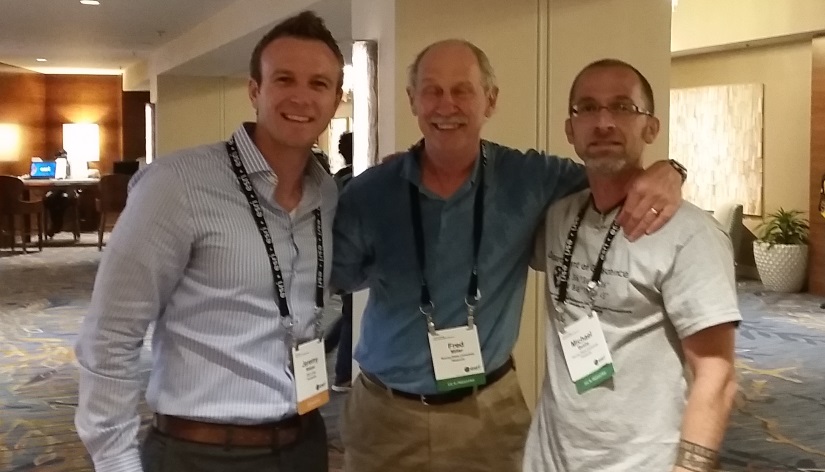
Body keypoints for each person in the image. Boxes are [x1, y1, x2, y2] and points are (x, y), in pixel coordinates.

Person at [332, 39, 685, 472]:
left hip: (488, 418)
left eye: (462, 90)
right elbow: (336, 277)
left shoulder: (530, 178)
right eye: (432, 90)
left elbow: (610, 174)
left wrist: (670, 170)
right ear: (412, 100)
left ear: (491, 100)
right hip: (384, 418)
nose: (446, 105)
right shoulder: (371, 192)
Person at [74, 11, 342, 472]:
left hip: (304, 443)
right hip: (203, 453)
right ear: (255, 90)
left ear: (335, 99)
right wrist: (115, 460)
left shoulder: (326, 194)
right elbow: (110, 334)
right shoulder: (177, 185)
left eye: (319, 84)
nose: (301, 96)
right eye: (284, 79)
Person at [523, 59, 740, 472]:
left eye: (623, 107)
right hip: (549, 457)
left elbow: (717, 373)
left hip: (642, 462)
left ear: (651, 128)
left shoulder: (690, 234)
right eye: (587, 108)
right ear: (570, 130)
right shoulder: (558, 217)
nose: (603, 122)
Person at [326, 131, 354, 392]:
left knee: (348, 312)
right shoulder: (359, 181)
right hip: (354, 258)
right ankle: (343, 375)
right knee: (351, 314)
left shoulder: (334, 182)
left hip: (338, 254)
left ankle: (326, 346)